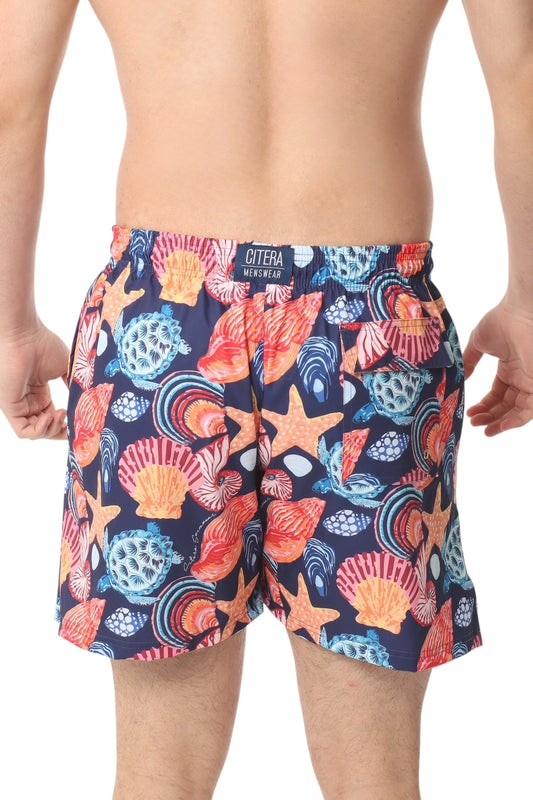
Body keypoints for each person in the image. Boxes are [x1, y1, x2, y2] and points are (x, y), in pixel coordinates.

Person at [1, 1, 532, 798]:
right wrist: (529, 299)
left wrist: (9, 322)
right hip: (367, 322)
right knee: (374, 778)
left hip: (163, 317)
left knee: (159, 773)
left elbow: (11, 98)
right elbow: (521, 79)